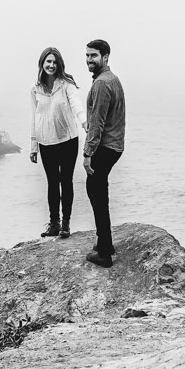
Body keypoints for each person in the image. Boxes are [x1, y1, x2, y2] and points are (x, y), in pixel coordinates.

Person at [28, 47, 82, 238]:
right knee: (52, 183)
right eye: (48, 61)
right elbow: (35, 118)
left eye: (54, 62)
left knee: (66, 181)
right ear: (42, 63)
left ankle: (66, 224)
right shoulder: (36, 90)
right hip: (45, 142)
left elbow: (76, 104)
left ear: (59, 64)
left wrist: (85, 122)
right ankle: (54, 224)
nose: (51, 65)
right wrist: (33, 146)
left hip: (68, 139)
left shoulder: (66, 84)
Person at [81, 39, 125, 267]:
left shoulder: (101, 84)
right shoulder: (112, 80)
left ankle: (105, 253)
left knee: (96, 193)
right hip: (114, 145)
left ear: (105, 57)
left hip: (104, 146)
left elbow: (97, 123)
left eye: (94, 55)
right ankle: (104, 241)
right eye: (87, 55)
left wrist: (88, 153)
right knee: (99, 192)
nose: (89, 60)